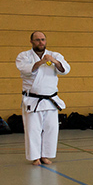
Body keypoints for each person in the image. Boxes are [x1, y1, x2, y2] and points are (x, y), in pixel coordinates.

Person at [16, 31, 70, 166]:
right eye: (37, 40)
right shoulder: (24, 56)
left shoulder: (55, 55)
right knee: (33, 130)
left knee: (51, 129)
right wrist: (41, 62)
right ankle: (35, 157)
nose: (41, 42)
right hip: (32, 100)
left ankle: (46, 155)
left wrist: (54, 61)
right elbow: (26, 70)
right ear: (31, 42)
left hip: (50, 100)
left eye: (43, 39)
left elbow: (65, 70)